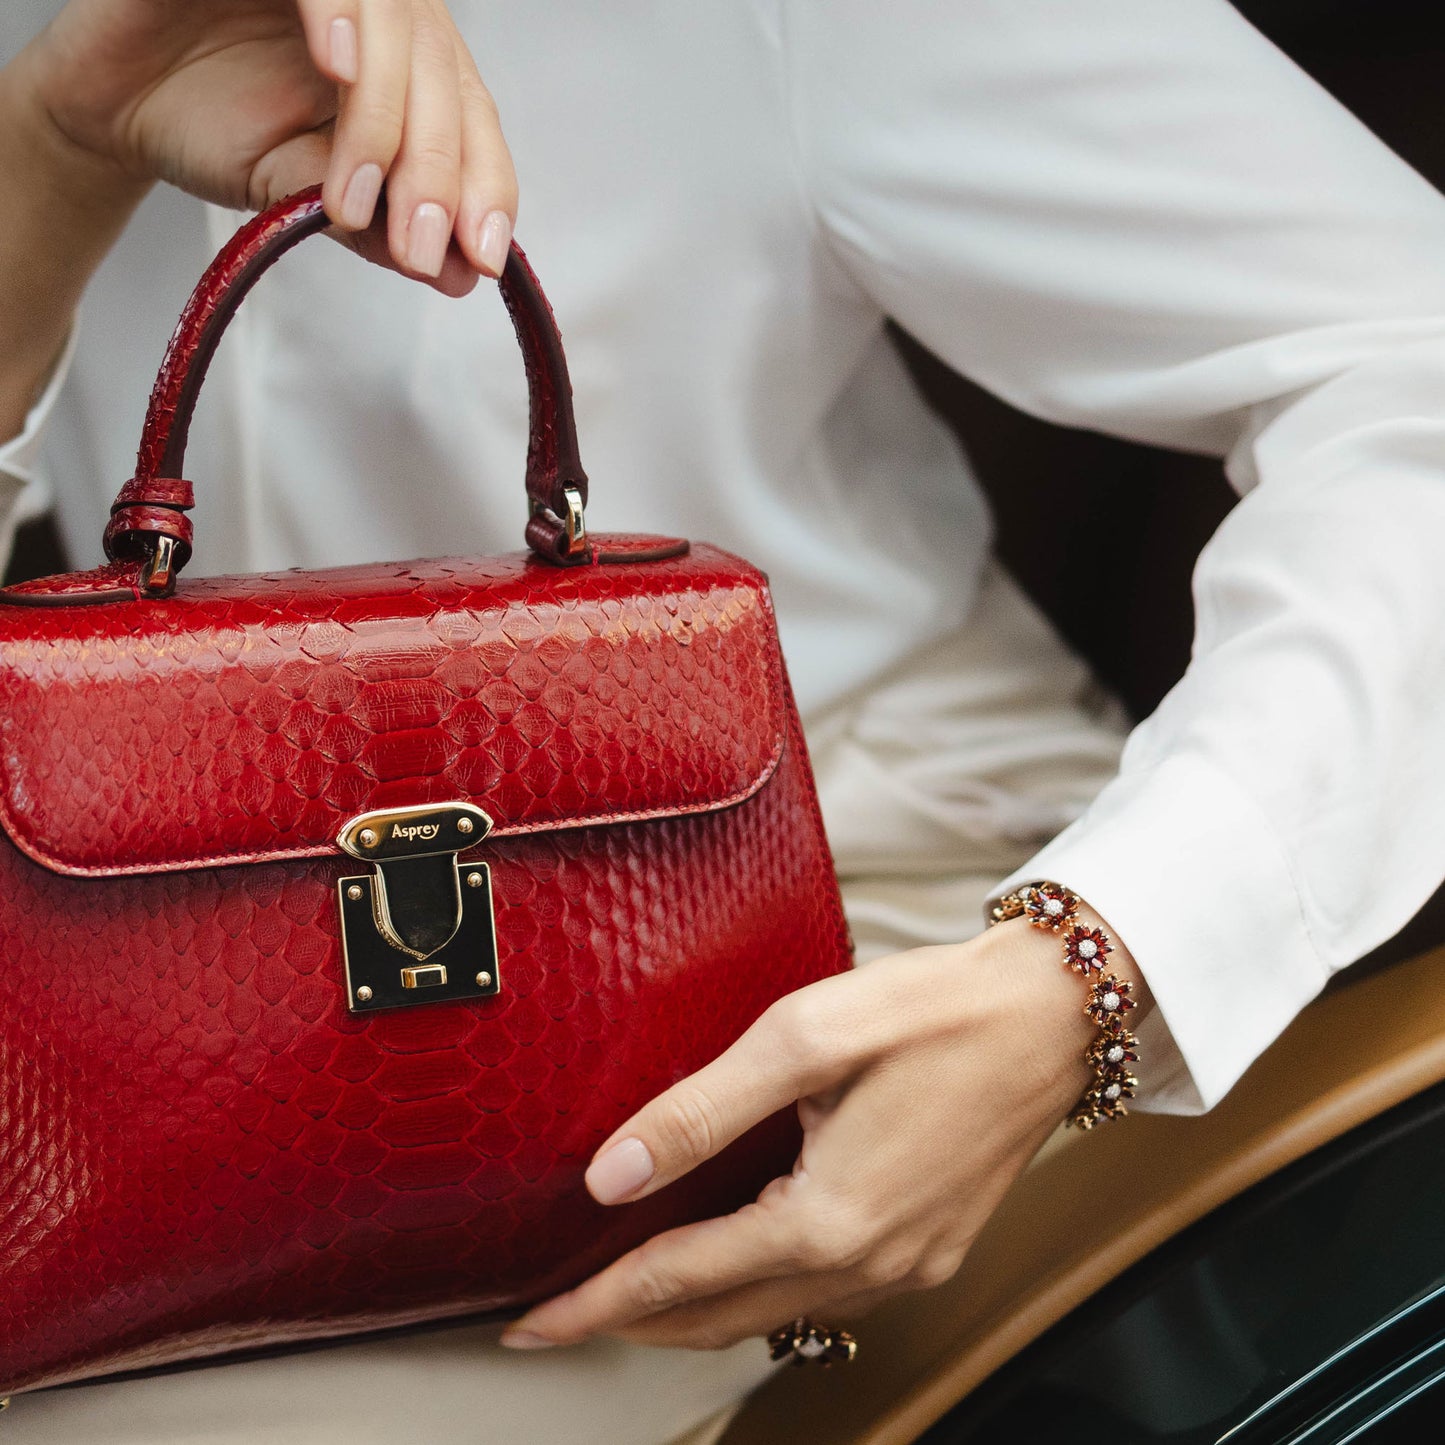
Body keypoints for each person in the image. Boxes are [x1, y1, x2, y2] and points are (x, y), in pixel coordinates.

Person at [3, 2, 1445, 1441]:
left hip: (841, 916)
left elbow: (1413, 352)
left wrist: (1093, 960)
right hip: (177, 999)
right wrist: (54, 152)